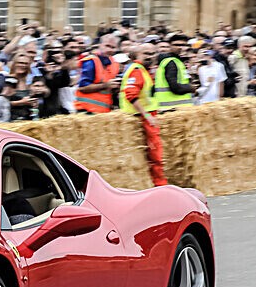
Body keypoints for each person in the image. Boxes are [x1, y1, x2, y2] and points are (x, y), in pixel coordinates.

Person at [120, 43, 167, 186]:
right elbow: (131, 95)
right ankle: (160, 184)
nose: (150, 57)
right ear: (137, 55)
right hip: (143, 116)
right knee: (155, 153)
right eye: (146, 53)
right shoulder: (137, 70)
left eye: (152, 53)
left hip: (146, 115)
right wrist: (147, 116)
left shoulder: (144, 70)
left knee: (155, 153)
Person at [75, 35, 121, 114]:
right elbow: (83, 87)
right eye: (107, 46)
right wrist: (105, 85)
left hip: (103, 111)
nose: (109, 49)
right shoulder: (91, 61)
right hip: (86, 110)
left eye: (113, 47)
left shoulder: (114, 63)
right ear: (99, 45)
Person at [154, 33, 194, 111]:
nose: (180, 47)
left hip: (177, 108)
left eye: (184, 45)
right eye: (177, 45)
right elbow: (175, 87)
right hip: (172, 109)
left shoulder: (178, 61)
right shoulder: (171, 62)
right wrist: (192, 88)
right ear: (170, 46)